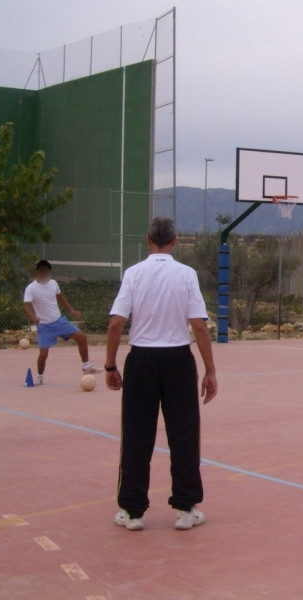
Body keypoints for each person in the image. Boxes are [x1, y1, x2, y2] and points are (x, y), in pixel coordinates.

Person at [105, 218, 218, 531]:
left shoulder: (133, 274)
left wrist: (110, 366)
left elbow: (115, 323)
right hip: (178, 360)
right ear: (175, 240)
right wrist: (210, 370)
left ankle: (132, 511)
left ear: (148, 239)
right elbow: (198, 325)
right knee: (183, 435)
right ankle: (184, 509)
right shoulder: (186, 274)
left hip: (141, 360)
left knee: (137, 435)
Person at [23, 259, 102, 385]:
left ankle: (87, 367)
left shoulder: (53, 283)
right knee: (43, 354)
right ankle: (39, 376)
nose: (45, 276)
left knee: (81, 337)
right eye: (42, 273)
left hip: (59, 321)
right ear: (36, 273)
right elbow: (26, 306)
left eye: (47, 273)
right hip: (44, 326)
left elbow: (60, 298)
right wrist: (33, 317)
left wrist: (71, 310)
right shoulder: (31, 289)